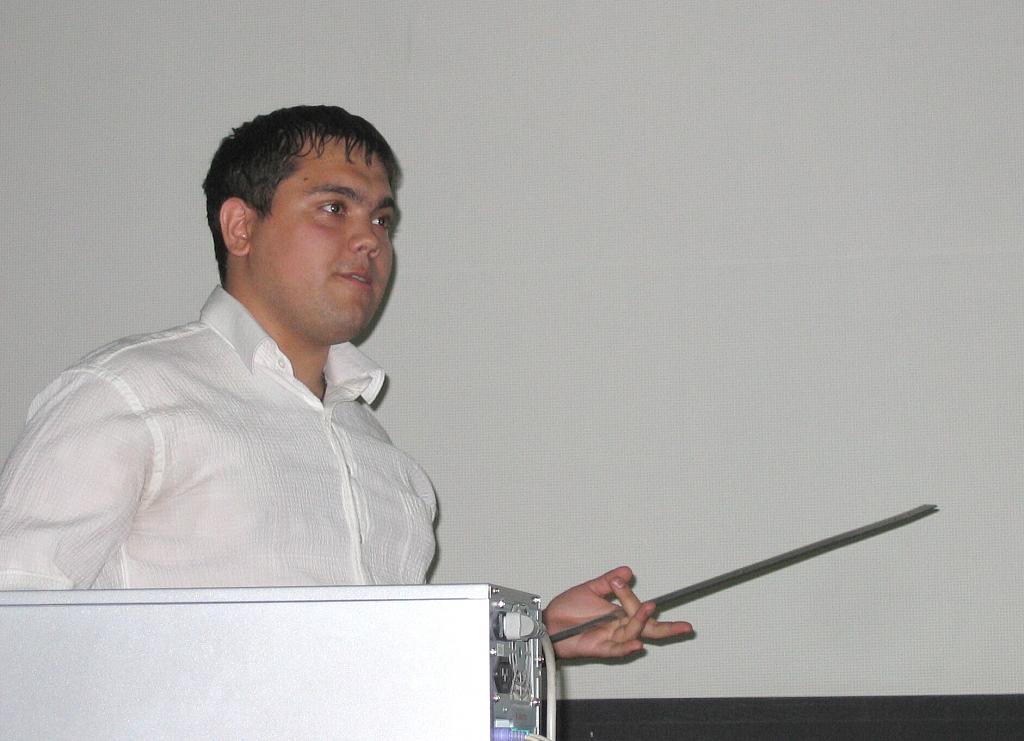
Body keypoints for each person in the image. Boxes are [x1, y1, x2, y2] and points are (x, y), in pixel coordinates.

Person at [0, 105, 691, 659]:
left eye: (382, 219)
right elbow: (16, 623)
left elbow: (369, 662)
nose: (371, 240)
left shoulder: (376, 451)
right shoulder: (128, 395)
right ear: (240, 226)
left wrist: (532, 636)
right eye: (335, 208)